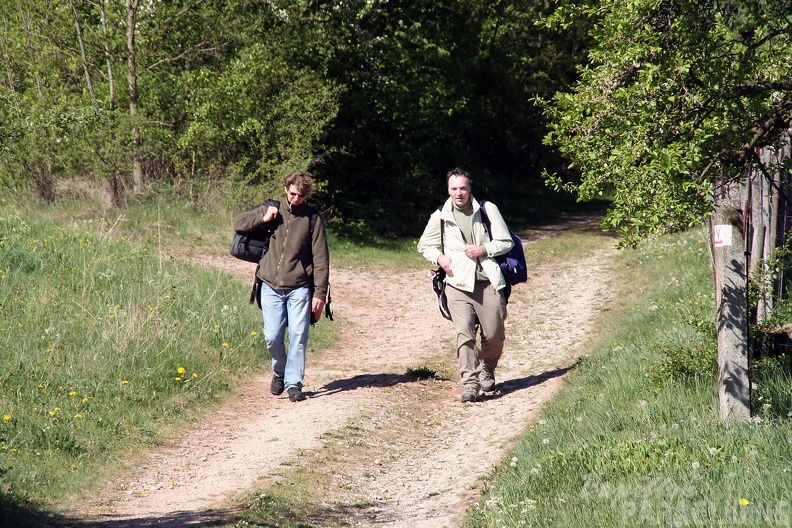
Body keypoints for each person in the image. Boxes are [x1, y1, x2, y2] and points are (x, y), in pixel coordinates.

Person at [417, 168, 514, 403]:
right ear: (448, 190)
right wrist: (439, 258)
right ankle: (470, 383)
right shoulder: (440, 214)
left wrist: (484, 249)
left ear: (470, 188)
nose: (458, 193)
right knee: (464, 334)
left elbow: (506, 241)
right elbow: (424, 245)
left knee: (494, 335)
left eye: (462, 188)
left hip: (488, 282)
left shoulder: (487, 209)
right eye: (454, 189)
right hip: (457, 285)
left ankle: (488, 369)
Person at [233, 171, 330, 402]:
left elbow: (321, 259)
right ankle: (279, 372)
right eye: (293, 193)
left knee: (298, 335)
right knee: (273, 336)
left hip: (299, 288)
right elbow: (239, 223)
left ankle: (293, 383)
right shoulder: (272, 209)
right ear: (286, 188)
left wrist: (320, 294)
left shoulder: (313, 219)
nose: (296, 199)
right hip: (269, 285)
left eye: (301, 196)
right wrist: (264, 218)